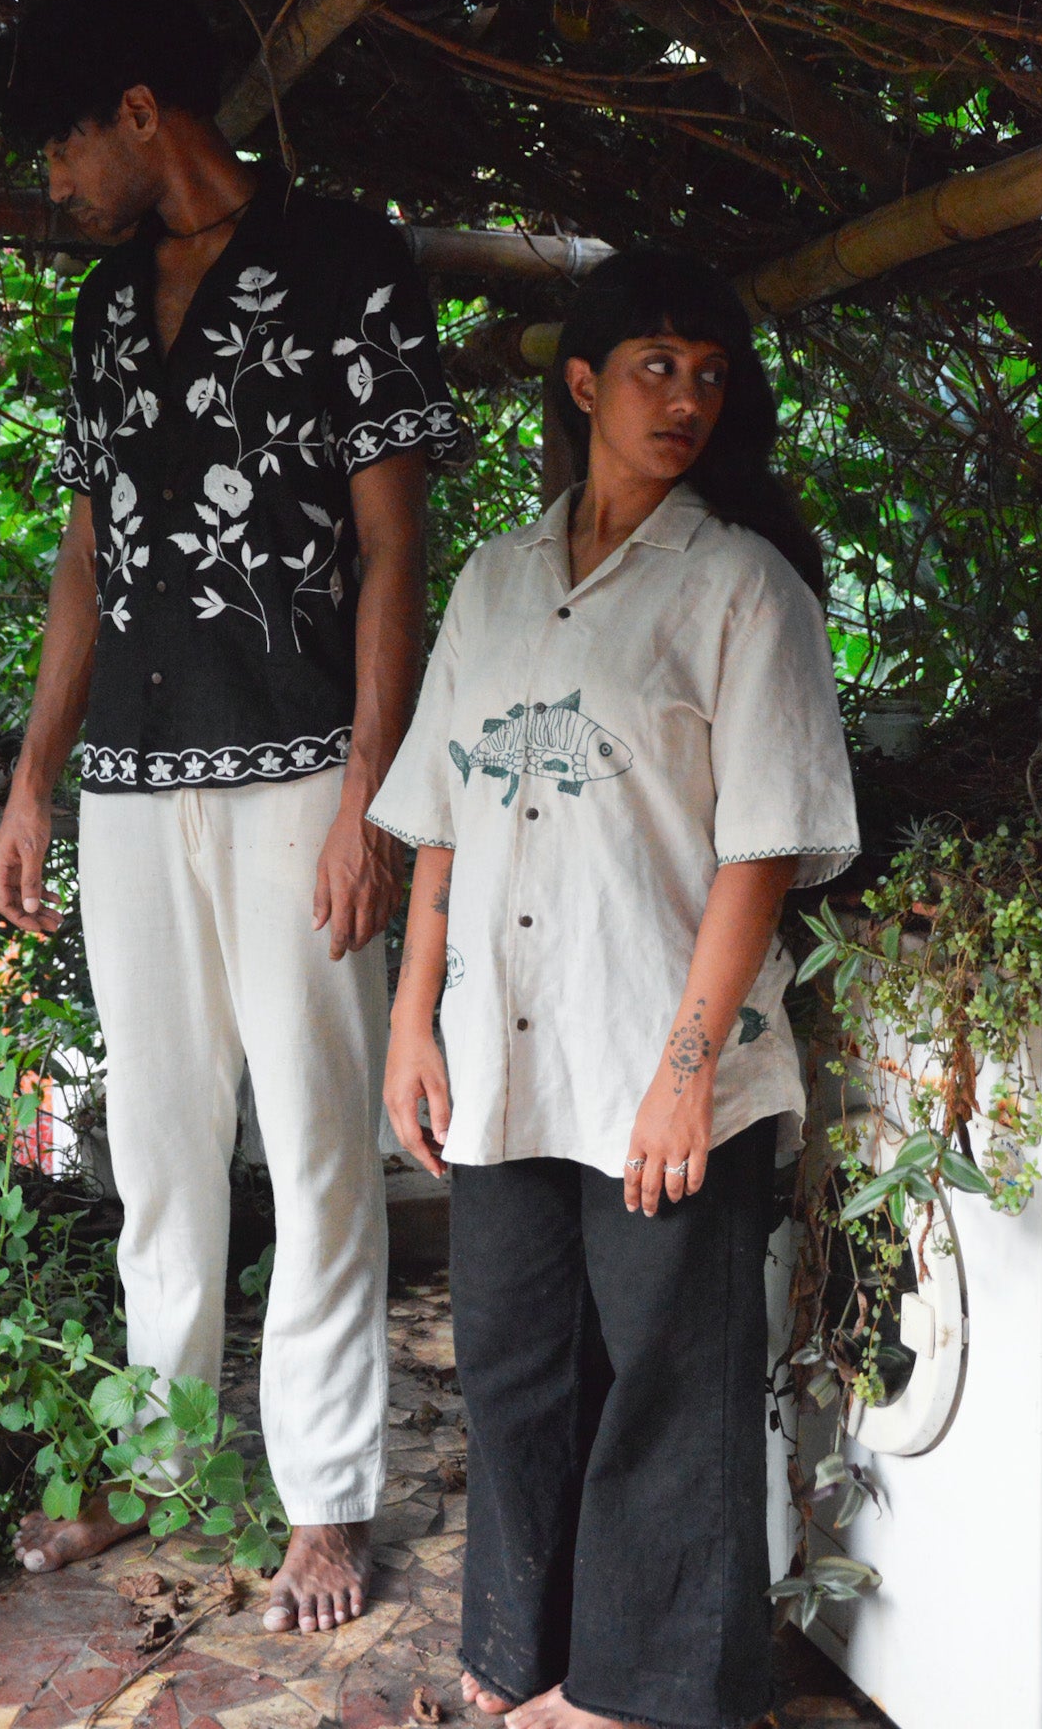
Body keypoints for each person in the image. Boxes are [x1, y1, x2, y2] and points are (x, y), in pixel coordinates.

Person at [0, 0, 464, 1633]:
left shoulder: (348, 262)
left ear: (138, 112)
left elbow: (397, 543)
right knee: (158, 1141)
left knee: (323, 1142)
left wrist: (372, 795)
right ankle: (158, 1456)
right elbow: (86, 556)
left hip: (298, 782)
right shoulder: (105, 308)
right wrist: (35, 778)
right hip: (128, 784)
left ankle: (325, 1499)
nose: (52, 185)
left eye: (60, 147)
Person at [369, 246, 859, 1729]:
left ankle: (637, 1694)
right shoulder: (494, 580)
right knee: (516, 1363)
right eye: (656, 367)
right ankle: (524, 1655)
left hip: (659, 1058)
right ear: (581, 383)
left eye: (710, 375)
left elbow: (758, 852)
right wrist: (410, 1015)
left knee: (666, 1377)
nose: (686, 399)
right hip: (509, 1051)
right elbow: (444, 813)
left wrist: (686, 1065)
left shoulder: (740, 586)